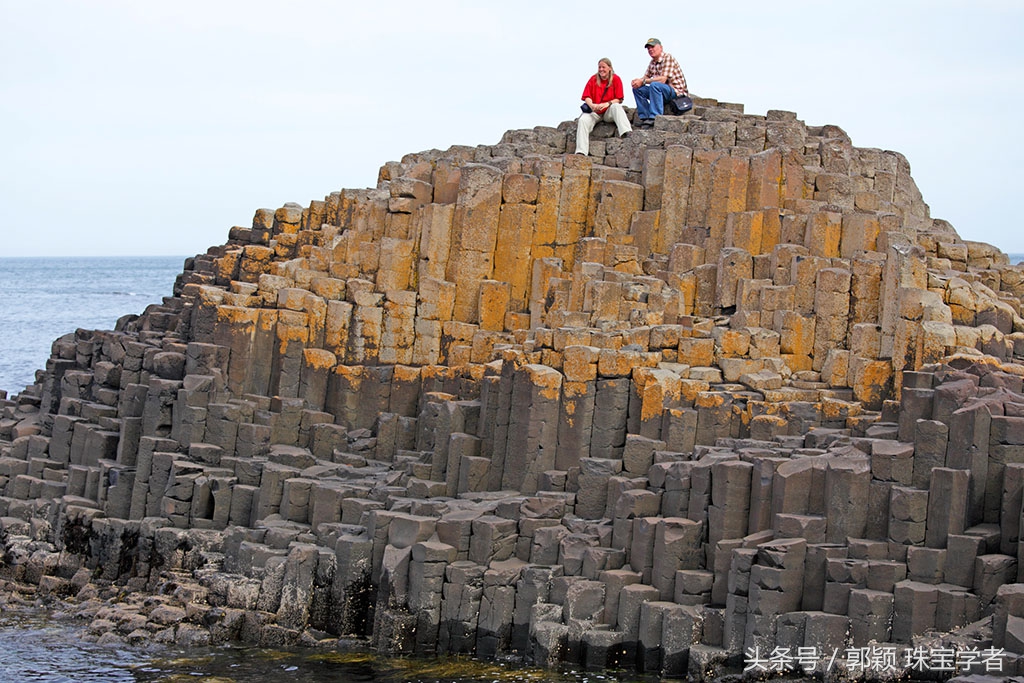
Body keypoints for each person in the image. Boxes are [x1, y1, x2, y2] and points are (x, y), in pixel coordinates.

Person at [574, 57, 632, 155]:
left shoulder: (616, 79)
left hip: (608, 111)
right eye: (599, 67)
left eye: (603, 67)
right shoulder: (593, 79)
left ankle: (627, 133)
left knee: (616, 106)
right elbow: (586, 96)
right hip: (594, 112)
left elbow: (619, 99)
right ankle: (581, 151)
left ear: (609, 68)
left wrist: (607, 104)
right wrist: (592, 105)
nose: (601, 69)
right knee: (583, 120)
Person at [630, 38, 688, 128]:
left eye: (652, 47)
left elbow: (662, 80)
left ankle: (655, 117)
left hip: (676, 92)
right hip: (661, 91)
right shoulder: (652, 62)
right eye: (648, 48)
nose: (650, 50)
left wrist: (643, 81)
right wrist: (637, 82)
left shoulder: (668, 58)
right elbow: (646, 77)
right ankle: (645, 117)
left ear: (661, 47)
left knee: (655, 85)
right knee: (638, 89)